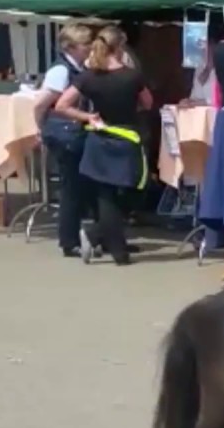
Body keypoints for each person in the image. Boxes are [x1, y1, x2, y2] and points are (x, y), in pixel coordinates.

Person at [54, 26, 153, 266]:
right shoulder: (132, 76)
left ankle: (106, 242)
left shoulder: (88, 77)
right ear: (119, 47)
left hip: (99, 139)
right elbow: (148, 103)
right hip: (127, 139)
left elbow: (61, 105)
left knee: (106, 195)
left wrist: (87, 117)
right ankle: (105, 242)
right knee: (133, 191)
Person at [33, 23, 94, 258]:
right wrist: (40, 128)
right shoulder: (61, 70)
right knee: (71, 188)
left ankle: (82, 236)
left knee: (78, 186)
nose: (89, 47)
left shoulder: (78, 68)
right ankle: (69, 241)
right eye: (85, 43)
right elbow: (41, 104)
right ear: (70, 47)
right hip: (64, 134)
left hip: (74, 132)